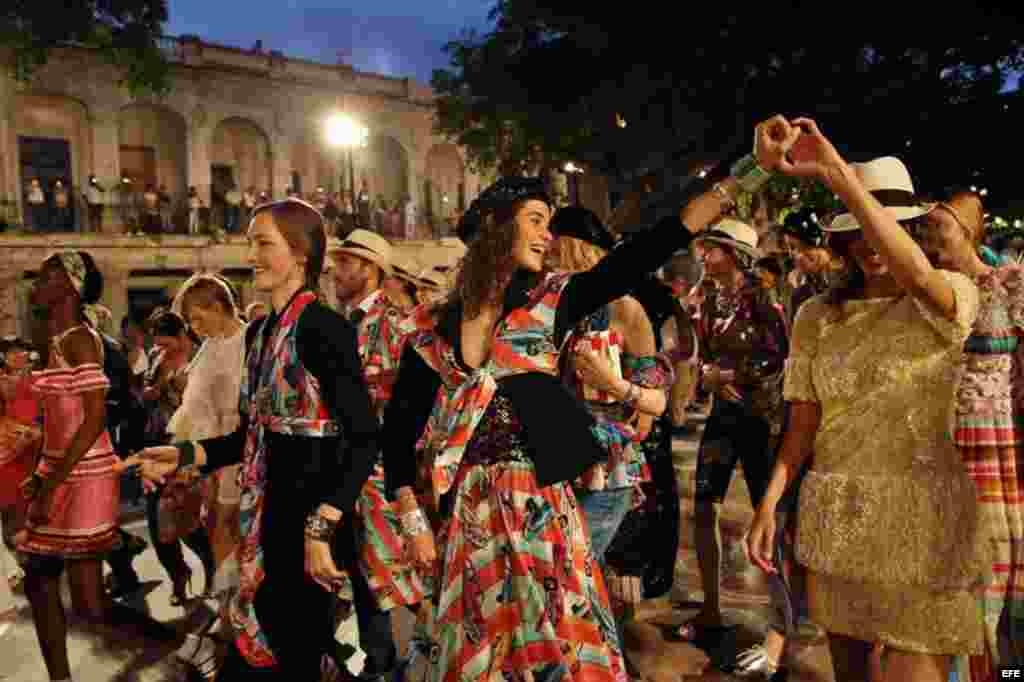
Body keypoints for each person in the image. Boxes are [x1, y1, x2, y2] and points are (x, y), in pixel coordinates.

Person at [382, 146, 747, 682]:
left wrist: (742, 176)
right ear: (494, 228)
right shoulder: (433, 327)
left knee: (560, 653)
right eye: (535, 221)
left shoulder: (556, 302)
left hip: (543, 508)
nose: (546, 235)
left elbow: (647, 249)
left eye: (549, 224)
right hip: (471, 518)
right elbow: (396, 436)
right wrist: (414, 526)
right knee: (484, 656)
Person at [746, 119, 988, 682]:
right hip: (837, 513)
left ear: (914, 232)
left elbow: (920, 277)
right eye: (854, 230)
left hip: (924, 519)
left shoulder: (950, 296)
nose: (868, 241)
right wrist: (770, 501)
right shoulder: (815, 315)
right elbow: (803, 418)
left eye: (882, 227)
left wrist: (836, 175)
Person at [121, 198, 380, 679]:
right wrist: (184, 453)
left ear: (301, 253)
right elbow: (253, 434)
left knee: (290, 660)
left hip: (307, 533)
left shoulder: (324, 328)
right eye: (250, 244)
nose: (253, 255)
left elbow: (364, 438)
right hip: (262, 522)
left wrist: (322, 528)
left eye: (264, 244)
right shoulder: (260, 332)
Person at [18, 251, 167, 681]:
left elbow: (93, 420)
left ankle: (180, 644)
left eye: (47, 275)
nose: (37, 284)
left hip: (84, 475)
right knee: (40, 580)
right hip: (66, 470)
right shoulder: (58, 338)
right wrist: (42, 473)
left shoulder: (81, 339)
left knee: (87, 603)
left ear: (70, 285)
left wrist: (51, 484)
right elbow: (60, 422)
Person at [910, 190, 1024, 680]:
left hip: (997, 434)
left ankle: (1003, 671)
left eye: (942, 227)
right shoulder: (925, 286)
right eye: (926, 229)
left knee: (997, 560)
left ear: (970, 231)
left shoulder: (1009, 282)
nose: (932, 237)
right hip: (945, 433)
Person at [678, 218, 790, 664]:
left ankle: (780, 622)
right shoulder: (705, 297)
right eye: (705, 247)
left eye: (715, 249)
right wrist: (706, 377)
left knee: (771, 515)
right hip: (723, 416)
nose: (704, 255)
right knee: (704, 505)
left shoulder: (763, 298)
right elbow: (700, 355)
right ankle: (711, 607)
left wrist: (729, 375)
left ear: (736, 255)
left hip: (761, 418)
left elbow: (778, 357)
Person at [330, 229, 421, 680]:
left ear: (369, 269)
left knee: (394, 571)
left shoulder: (394, 323)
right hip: (347, 468)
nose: (334, 270)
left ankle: (408, 658)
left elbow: (411, 403)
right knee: (360, 569)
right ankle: (379, 658)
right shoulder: (339, 321)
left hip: (383, 469)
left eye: (344, 262)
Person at [169, 273, 248, 679]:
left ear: (219, 308)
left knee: (228, 533)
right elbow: (194, 407)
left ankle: (232, 621)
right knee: (217, 533)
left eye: (198, 320)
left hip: (232, 457)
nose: (194, 330)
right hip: (210, 456)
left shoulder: (244, 344)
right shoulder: (212, 346)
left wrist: (210, 468)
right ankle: (226, 613)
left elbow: (231, 410)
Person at [142, 311, 215, 606]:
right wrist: (151, 391)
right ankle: (178, 575)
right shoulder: (158, 358)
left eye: (168, 344)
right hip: (157, 446)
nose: (163, 350)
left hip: (188, 448)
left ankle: (213, 572)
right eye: (159, 345)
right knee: (156, 526)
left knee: (190, 522)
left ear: (183, 336)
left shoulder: (200, 360)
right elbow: (147, 393)